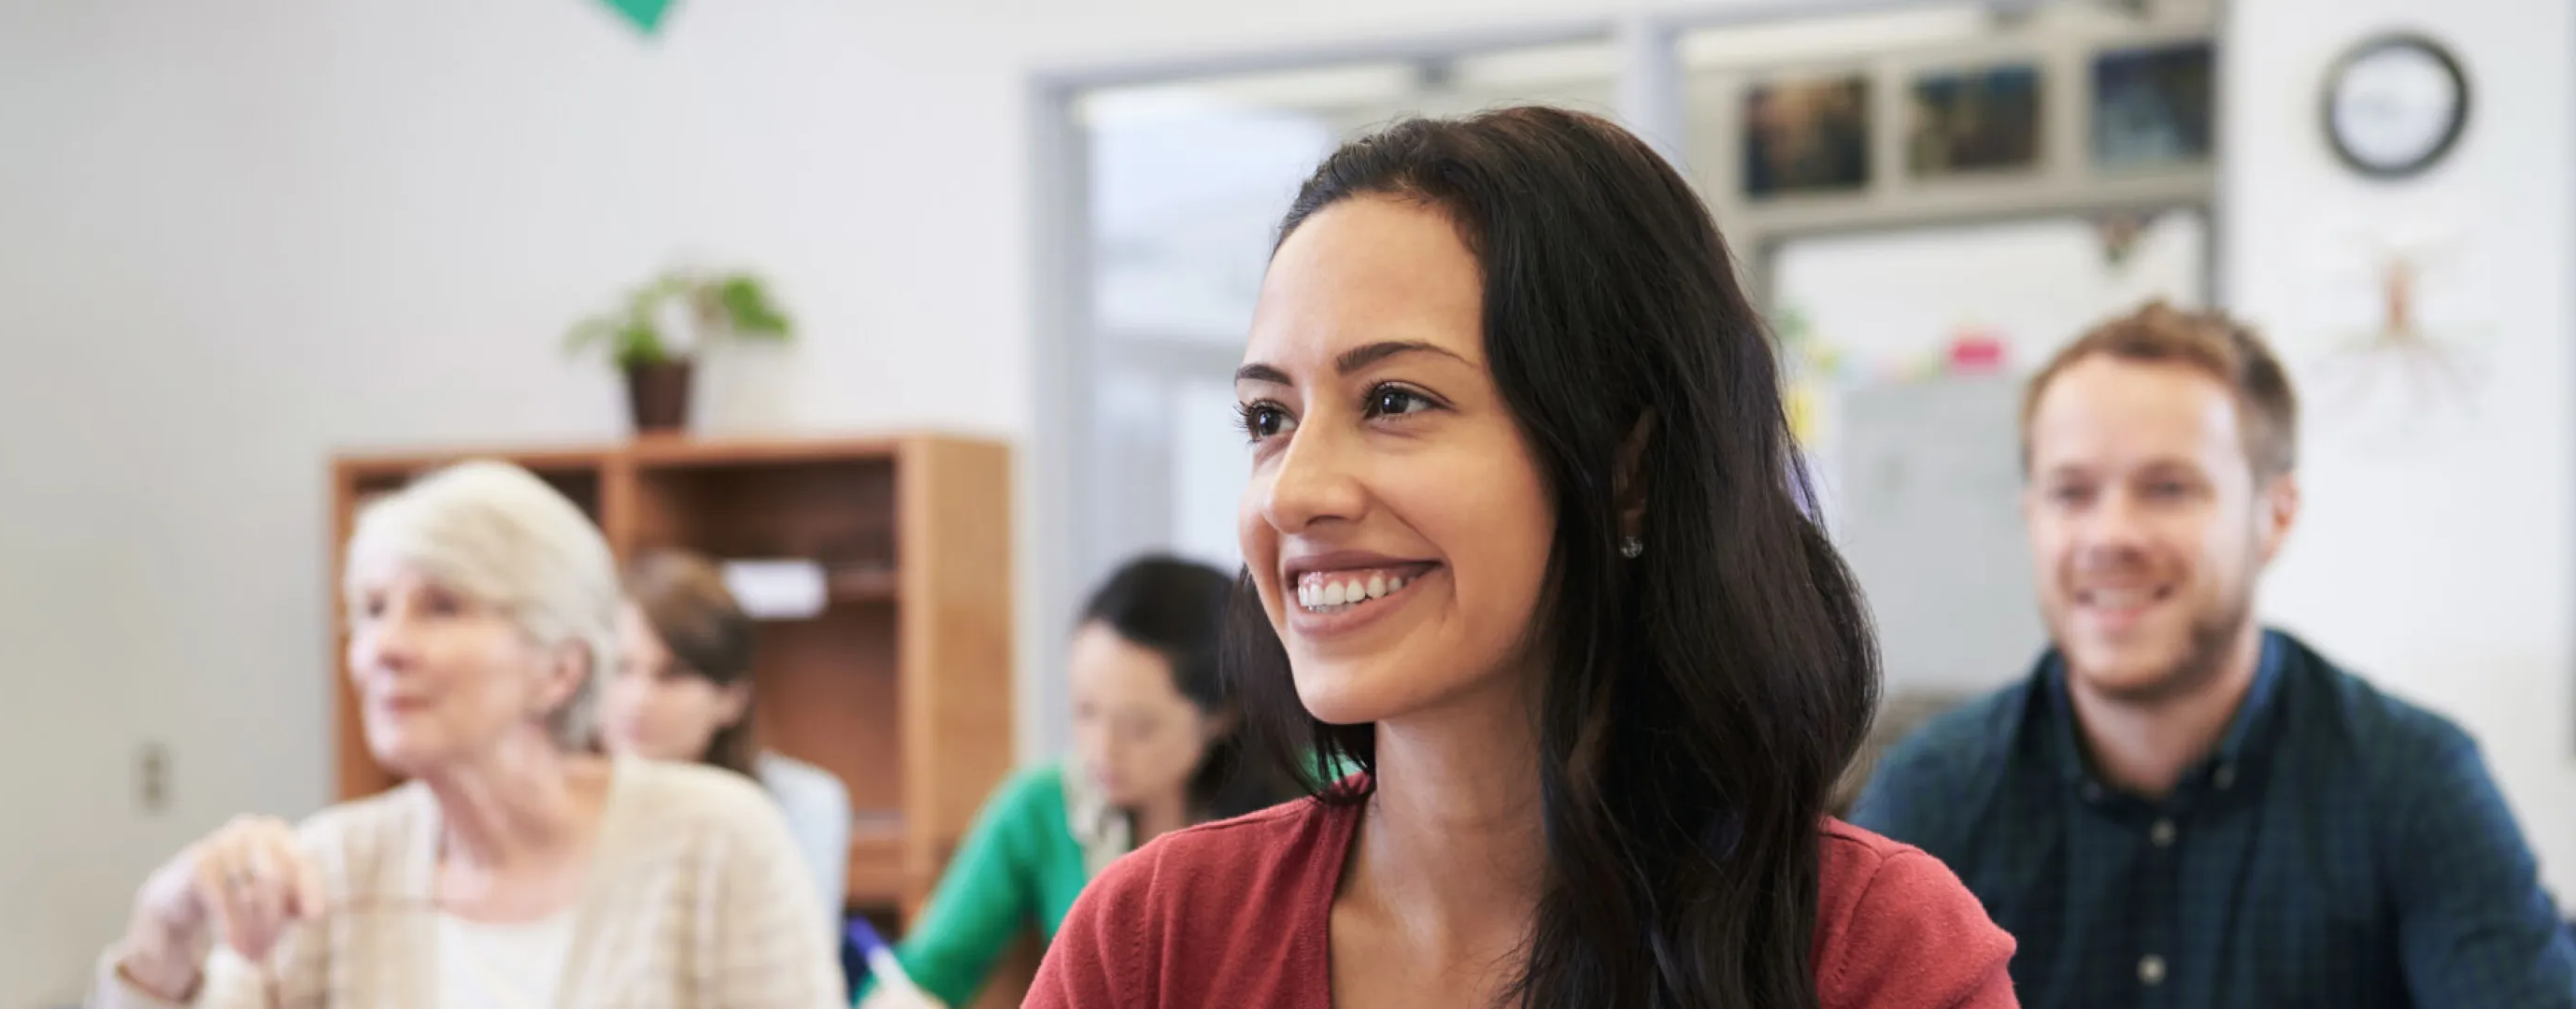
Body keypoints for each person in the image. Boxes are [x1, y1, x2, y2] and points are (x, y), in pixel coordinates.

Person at [1027, 107, 2015, 1009]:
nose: (1293, 490)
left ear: (1631, 467)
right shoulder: (1153, 942)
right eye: (1268, 417)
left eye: (1396, 401)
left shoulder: (1874, 954)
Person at [1848, 302, 2576, 1008]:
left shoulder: (2415, 785)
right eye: (2071, 492)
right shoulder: (1930, 800)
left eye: (2169, 488)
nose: (2111, 535)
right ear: (2030, 515)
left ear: (2276, 516)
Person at [91, 461, 842, 1008]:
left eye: (442, 607)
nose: (384, 646)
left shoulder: (717, 840)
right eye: (374, 608)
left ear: (560, 670)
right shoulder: (333, 871)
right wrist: (164, 929)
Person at [862, 555, 1288, 1008]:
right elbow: (925, 972)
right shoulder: (1042, 806)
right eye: (1085, 711)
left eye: (1139, 726)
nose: (1102, 750)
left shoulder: (1310, 807)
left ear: (1221, 715)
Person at [598, 547, 854, 938]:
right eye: (622, 669)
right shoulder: (562, 801)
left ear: (731, 698)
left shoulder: (800, 803)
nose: (639, 699)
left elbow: (793, 965)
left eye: (672, 675)